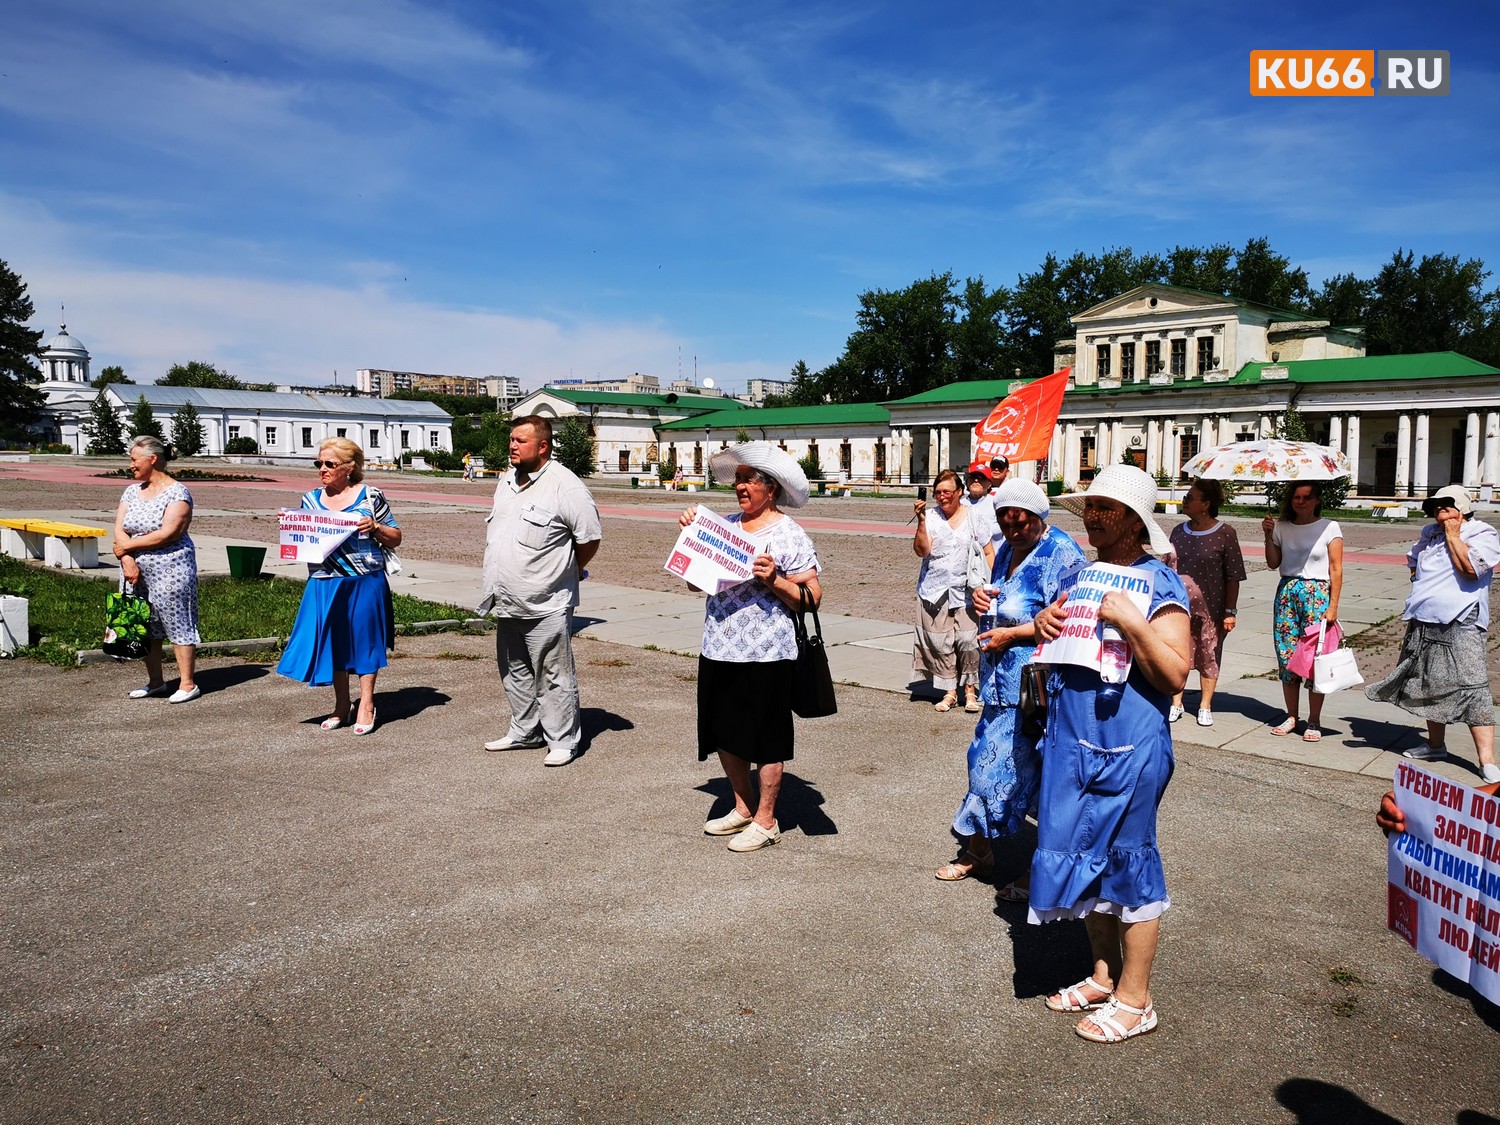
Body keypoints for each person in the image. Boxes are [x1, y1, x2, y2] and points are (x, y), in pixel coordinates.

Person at [1031, 464, 1190, 1044]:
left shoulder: (1160, 584)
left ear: (1133, 522)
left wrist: (1133, 623)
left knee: (1128, 861)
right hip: (1074, 739)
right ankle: (1103, 975)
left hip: (1130, 743)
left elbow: (1175, 673)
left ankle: (1136, 997)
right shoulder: (1088, 573)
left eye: (1104, 509)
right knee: (1083, 858)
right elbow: (1063, 638)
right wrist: (1044, 622)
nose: (1091, 517)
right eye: (1089, 507)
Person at [938, 480, 1084, 887]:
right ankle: (981, 851)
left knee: (1034, 774)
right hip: (1000, 684)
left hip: (1038, 686)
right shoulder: (1007, 547)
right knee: (989, 764)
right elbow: (999, 600)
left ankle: (1039, 869)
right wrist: (977, 600)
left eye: (1020, 522)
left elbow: (1070, 623)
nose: (1013, 529)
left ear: (1039, 517)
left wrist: (1013, 635)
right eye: (1005, 522)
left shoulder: (1062, 554)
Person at [677, 443, 820, 853]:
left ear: (770, 488)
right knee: (724, 730)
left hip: (767, 653)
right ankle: (743, 806)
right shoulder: (724, 528)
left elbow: (813, 595)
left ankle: (767, 819)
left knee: (767, 738)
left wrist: (775, 579)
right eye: (737, 480)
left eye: (748, 480)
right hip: (719, 646)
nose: (740, 487)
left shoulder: (789, 534)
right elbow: (693, 582)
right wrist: (691, 538)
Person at [479, 416, 602, 766]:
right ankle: (525, 731)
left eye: (520, 440)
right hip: (507, 596)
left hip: (546, 599)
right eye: (511, 439)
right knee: (514, 670)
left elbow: (590, 537)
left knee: (553, 673)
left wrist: (572, 568)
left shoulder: (566, 486)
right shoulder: (507, 480)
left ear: (543, 446)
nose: (512, 446)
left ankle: (562, 740)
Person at [1366, 485, 1499, 783]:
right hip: (1424, 617)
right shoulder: (1429, 533)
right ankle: (1436, 745)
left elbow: (1470, 569)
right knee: (1427, 680)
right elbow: (1414, 562)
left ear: (1463, 506)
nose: (1439, 510)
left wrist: (1453, 535)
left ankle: (1487, 760)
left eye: (1446, 505)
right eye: (1435, 505)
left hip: (1463, 619)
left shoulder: (1483, 534)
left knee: (1472, 685)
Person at [276, 438, 402, 735]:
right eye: (318, 463)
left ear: (350, 468)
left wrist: (376, 527)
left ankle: (367, 704)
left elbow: (396, 536)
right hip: (324, 582)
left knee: (365, 641)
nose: (322, 469)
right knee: (334, 644)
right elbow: (304, 541)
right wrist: (290, 526)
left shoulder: (371, 497)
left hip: (364, 581)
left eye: (329, 464)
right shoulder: (310, 499)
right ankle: (342, 705)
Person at [113, 435, 201, 704]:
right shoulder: (131, 491)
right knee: (144, 623)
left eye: (134, 459)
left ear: (152, 459)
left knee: (177, 622)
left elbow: (169, 533)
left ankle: (188, 684)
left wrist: (127, 546)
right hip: (134, 567)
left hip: (171, 565)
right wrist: (127, 558)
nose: (131, 465)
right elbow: (119, 527)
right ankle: (155, 682)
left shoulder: (178, 493)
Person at [1262, 482, 1344, 742]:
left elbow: (1336, 569)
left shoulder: (1329, 527)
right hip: (1287, 591)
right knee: (1287, 656)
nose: (1300, 501)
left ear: (1317, 500)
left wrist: (1333, 605)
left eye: (1306, 497)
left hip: (1317, 595)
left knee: (1315, 658)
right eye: (1296, 497)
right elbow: (1273, 563)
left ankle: (1315, 719)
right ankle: (1291, 715)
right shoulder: (1282, 527)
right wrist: (1268, 535)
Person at [914, 469, 995, 713]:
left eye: (947, 491)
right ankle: (949, 691)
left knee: (969, 640)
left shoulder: (974, 517)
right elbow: (921, 551)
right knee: (941, 643)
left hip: (968, 591)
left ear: (959, 492)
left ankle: (970, 690)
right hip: (934, 590)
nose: (942, 496)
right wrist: (920, 522)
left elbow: (989, 551)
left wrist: (992, 585)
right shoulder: (929, 517)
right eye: (937, 492)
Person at [1167, 479, 1246, 727]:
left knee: (1209, 654)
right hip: (1178, 607)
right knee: (1177, 653)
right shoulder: (1179, 531)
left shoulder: (1225, 533)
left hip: (1211, 609)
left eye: (1190, 497)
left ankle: (1205, 705)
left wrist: (1230, 611)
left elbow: (1233, 576)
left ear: (1206, 504)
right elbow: (1168, 567)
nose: (1185, 501)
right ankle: (1176, 703)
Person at [963, 460, 1001, 549]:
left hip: (992, 557)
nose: (976, 480)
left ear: (989, 484)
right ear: (967, 482)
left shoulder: (996, 503)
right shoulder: (959, 504)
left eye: (981, 478)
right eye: (973, 477)